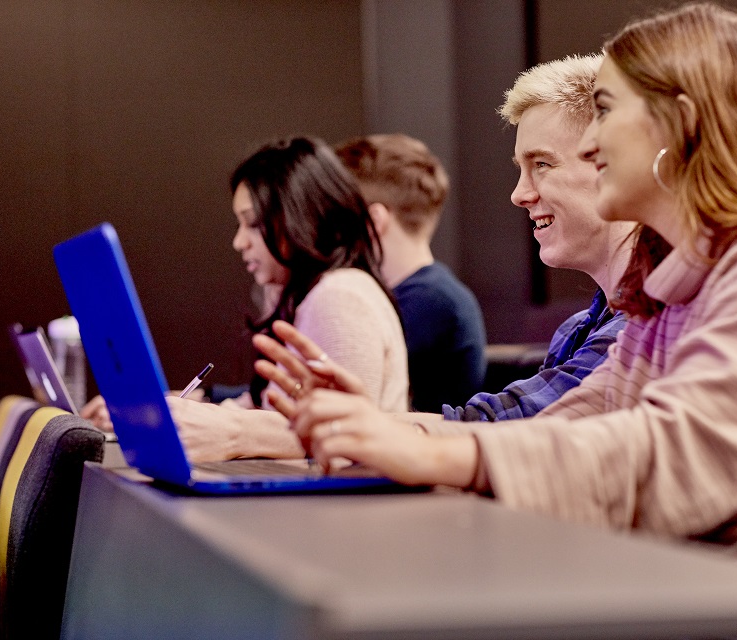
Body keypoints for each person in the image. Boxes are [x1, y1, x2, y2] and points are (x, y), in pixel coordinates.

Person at [259, 3, 737, 573]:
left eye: (604, 113)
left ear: (679, 125)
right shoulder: (668, 289)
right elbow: (566, 427)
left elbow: (682, 461)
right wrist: (385, 431)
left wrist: (429, 450)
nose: (593, 144)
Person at [256, 54, 634, 425]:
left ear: (614, 165)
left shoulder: (646, 330)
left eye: (542, 164)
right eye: (522, 168)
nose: (519, 194)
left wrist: (353, 428)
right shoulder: (577, 329)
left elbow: (509, 431)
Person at [84, 136, 409, 461]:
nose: (239, 242)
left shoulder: (340, 298)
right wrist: (174, 410)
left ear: (303, 216)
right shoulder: (308, 295)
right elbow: (270, 410)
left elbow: (343, 444)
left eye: (252, 223)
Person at [334, 133, 487, 412]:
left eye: (335, 214)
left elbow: (333, 394)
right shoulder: (426, 294)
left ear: (373, 222)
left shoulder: (431, 301)